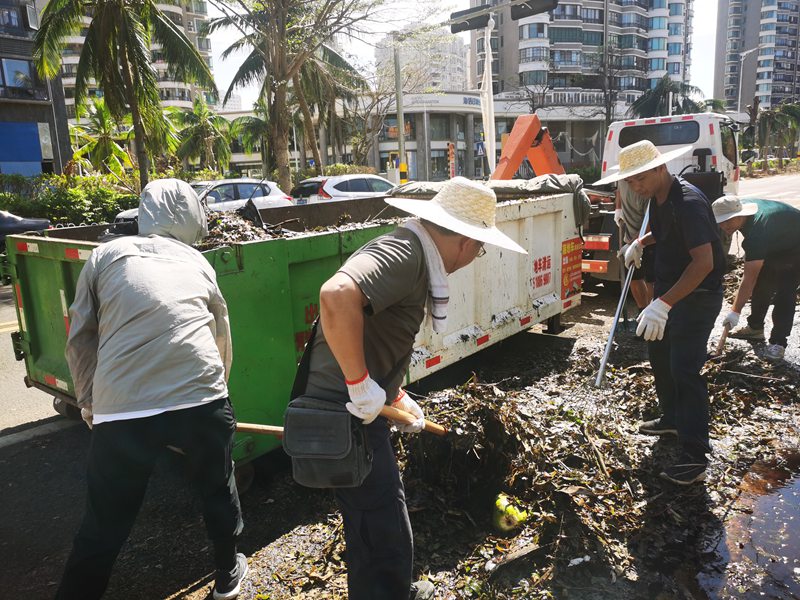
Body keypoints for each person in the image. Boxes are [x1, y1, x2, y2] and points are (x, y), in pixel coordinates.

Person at [306, 177, 527, 599]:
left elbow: (377, 334)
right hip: (346, 412)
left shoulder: (416, 259)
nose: (475, 256)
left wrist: (393, 395)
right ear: (464, 240)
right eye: (479, 248)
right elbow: (335, 296)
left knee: (375, 520)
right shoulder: (404, 253)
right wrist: (358, 383)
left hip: (361, 408)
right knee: (382, 523)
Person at [58, 179, 246, 600]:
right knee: (217, 486)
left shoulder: (104, 255)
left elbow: (80, 337)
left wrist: (90, 403)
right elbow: (220, 337)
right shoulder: (198, 261)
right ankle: (227, 572)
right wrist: (217, 404)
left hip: (122, 410)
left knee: (104, 521)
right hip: (200, 399)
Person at [595, 141, 726, 486]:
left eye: (638, 180)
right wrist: (641, 243)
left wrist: (663, 304)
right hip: (671, 293)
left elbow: (704, 263)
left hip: (696, 296)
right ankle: (671, 417)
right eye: (630, 182)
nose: (635, 188)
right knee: (658, 352)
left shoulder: (690, 203)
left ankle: (695, 456)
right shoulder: (659, 198)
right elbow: (664, 232)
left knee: (685, 369)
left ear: (658, 168)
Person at [712, 195, 800, 361]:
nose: (724, 226)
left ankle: (778, 343)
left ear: (740, 215)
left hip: (796, 246)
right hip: (775, 240)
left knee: (785, 291)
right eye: (720, 222)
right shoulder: (737, 205)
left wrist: (734, 312)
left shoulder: (757, 232)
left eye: (728, 221)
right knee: (762, 283)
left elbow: (748, 279)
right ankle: (755, 328)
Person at [615, 179, 654, 311]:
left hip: (650, 239)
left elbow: (651, 224)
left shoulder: (647, 191)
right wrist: (618, 208)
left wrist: (633, 244)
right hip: (631, 235)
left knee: (651, 280)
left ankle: (651, 312)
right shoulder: (622, 180)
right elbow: (619, 190)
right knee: (633, 277)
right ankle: (642, 311)